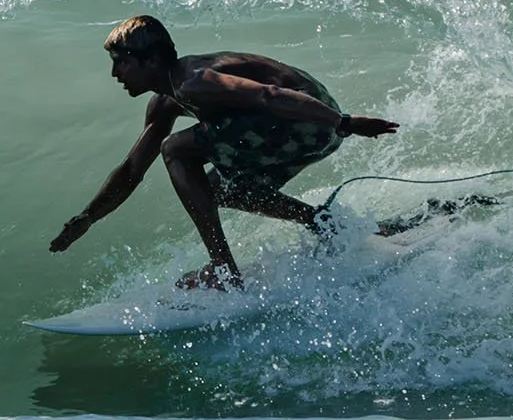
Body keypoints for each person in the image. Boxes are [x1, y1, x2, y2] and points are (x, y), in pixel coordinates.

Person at [49, 14, 399, 290]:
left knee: (176, 149)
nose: (114, 73)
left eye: (121, 62)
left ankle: (223, 268)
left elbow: (268, 95)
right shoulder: (166, 101)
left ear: (151, 59)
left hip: (307, 116)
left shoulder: (193, 81)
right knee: (218, 190)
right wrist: (89, 216)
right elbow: (131, 170)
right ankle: (324, 224)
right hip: (305, 126)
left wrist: (343, 122)